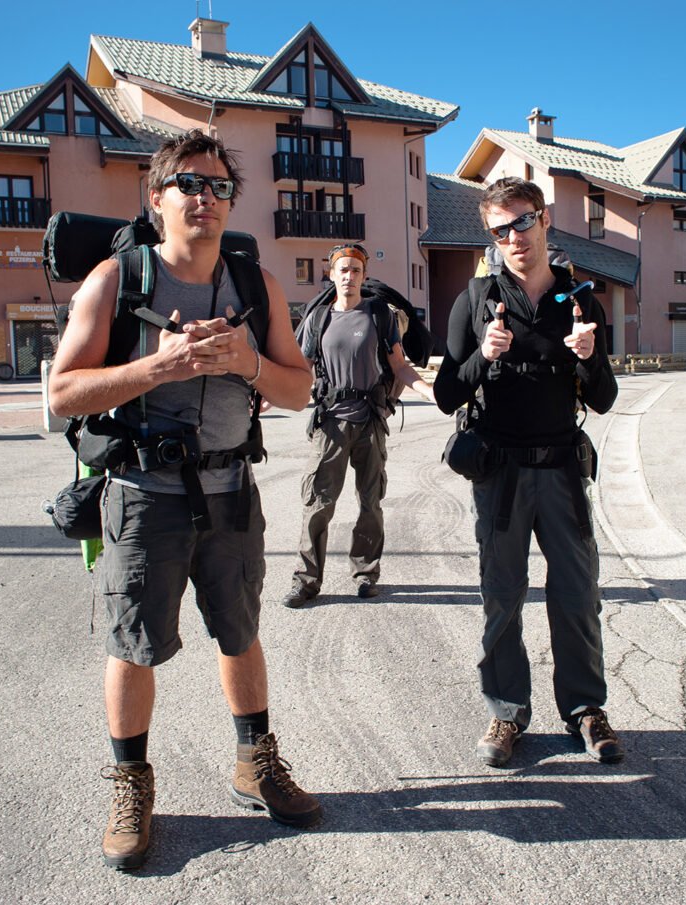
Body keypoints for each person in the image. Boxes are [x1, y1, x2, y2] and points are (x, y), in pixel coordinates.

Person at [48, 130, 321, 871]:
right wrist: (156, 366)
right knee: (134, 643)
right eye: (188, 184)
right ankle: (131, 783)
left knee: (241, 631)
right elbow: (62, 391)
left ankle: (253, 762)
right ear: (157, 197)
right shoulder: (117, 279)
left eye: (218, 186)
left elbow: (299, 389)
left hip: (232, 490)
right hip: (143, 495)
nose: (205, 197)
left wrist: (248, 360)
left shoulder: (253, 282)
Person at [433, 177, 622, 768]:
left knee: (576, 595)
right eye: (499, 229)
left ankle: (585, 709)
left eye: (522, 222)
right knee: (502, 598)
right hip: (502, 475)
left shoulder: (579, 301)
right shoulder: (476, 298)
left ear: (544, 221)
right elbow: (445, 394)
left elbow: (604, 398)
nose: (513, 237)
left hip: (563, 468)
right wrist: (481, 357)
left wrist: (589, 359)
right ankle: (507, 711)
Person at [282, 244, 436, 608]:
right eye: (343, 270)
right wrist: (266, 397)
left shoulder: (378, 315)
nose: (349, 276)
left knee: (371, 502)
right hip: (330, 423)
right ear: (331, 274)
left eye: (355, 270)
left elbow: (399, 366)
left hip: (370, 419)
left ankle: (366, 574)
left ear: (364, 276)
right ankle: (306, 581)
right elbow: (300, 371)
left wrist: (429, 390)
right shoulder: (319, 319)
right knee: (317, 504)